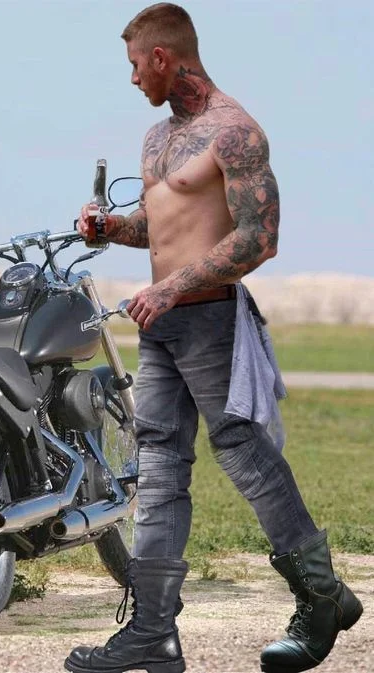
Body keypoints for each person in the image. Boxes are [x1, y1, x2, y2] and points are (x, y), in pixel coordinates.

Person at [64, 4, 363, 673]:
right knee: (159, 466)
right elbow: (163, 227)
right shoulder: (156, 139)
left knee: (245, 454)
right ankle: (153, 631)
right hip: (161, 326)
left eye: (136, 65)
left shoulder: (236, 133)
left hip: (208, 319)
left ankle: (320, 595)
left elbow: (260, 237)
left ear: (163, 57)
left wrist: (172, 287)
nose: (133, 78)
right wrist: (110, 228)